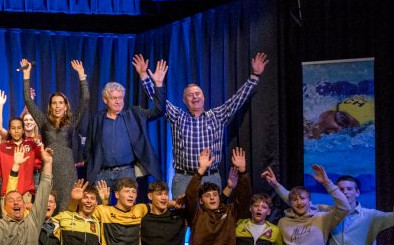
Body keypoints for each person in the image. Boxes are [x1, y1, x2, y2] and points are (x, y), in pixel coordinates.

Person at [135, 52, 269, 197]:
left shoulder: (216, 116)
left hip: (210, 177)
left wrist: (255, 76)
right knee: (183, 211)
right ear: (184, 100)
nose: (195, 97)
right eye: (190, 95)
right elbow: (158, 102)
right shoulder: (178, 116)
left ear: (203, 97)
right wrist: (144, 76)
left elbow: (237, 100)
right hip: (184, 178)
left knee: (213, 211)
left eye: (198, 94)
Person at [79, 56, 166, 192]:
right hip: (102, 174)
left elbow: (159, 110)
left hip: (127, 172)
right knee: (99, 206)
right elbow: (89, 146)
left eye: (120, 98)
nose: (118, 101)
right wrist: (90, 164)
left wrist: (158, 84)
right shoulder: (96, 119)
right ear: (105, 100)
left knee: (127, 205)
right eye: (114, 98)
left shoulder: (135, 114)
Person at [20, 57, 89, 207]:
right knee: (47, 205)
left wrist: (81, 75)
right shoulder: (43, 121)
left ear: (66, 106)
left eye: (60, 103)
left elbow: (85, 99)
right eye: (54, 103)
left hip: (67, 169)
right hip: (49, 168)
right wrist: (26, 74)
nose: (57, 106)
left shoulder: (72, 121)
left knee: (67, 204)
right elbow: (28, 100)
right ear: (50, 106)